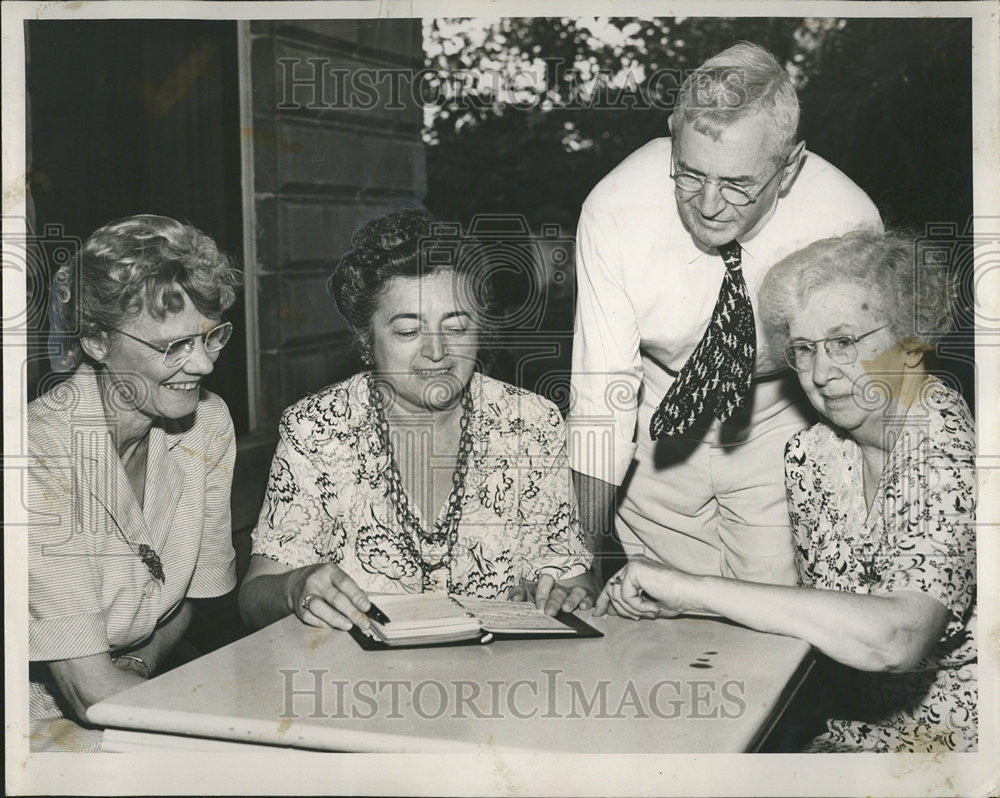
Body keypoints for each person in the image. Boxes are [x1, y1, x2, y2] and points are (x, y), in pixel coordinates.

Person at [596, 230, 977, 752]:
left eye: (844, 342)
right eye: (803, 349)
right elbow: (821, 613)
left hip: (958, 750)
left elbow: (899, 637)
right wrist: (680, 603)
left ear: (910, 340)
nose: (821, 373)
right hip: (841, 734)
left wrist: (691, 587)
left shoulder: (947, 442)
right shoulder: (813, 454)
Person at [568, 42, 882, 585]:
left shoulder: (845, 218)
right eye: (689, 174)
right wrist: (577, 557)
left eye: (738, 184)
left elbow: (863, 384)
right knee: (662, 613)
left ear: (789, 168)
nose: (709, 204)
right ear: (673, 132)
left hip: (779, 410)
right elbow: (602, 392)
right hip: (657, 411)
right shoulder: (615, 207)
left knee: (776, 612)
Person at [239, 209, 595, 632]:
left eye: (457, 327)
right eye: (408, 332)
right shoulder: (316, 430)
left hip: (498, 682)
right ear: (366, 342)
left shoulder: (531, 425)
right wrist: (295, 586)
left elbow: (576, 584)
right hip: (357, 686)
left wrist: (563, 598)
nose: (437, 352)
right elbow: (254, 597)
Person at [28, 214, 242, 752]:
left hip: (141, 683)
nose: (203, 366)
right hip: (35, 718)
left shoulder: (207, 425)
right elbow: (86, 692)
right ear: (98, 341)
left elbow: (188, 595)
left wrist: (145, 660)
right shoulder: (36, 451)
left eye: (209, 337)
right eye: (172, 345)